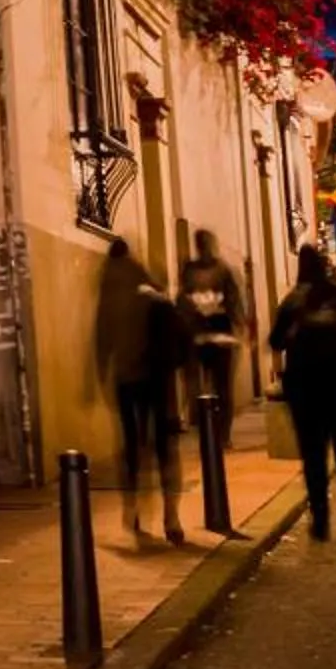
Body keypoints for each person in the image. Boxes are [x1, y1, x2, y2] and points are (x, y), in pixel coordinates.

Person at [270, 243, 336, 548]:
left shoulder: (293, 301)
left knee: (314, 459)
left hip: (307, 393)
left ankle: (320, 521)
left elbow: (275, 341)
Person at [96, 238, 191, 546]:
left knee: (132, 446)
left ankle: (134, 509)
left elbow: (101, 339)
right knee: (165, 447)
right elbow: (178, 333)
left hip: (127, 379)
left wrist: (98, 376)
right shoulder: (150, 288)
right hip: (157, 378)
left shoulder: (109, 291)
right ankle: (171, 518)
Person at [178, 230, 250, 452]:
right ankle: (219, 435)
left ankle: (215, 434)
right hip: (214, 335)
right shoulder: (220, 270)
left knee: (210, 387)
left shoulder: (191, 271)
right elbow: (233, 300)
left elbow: (185, 301)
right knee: (218, 387)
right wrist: (241, 324)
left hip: (205, 336)